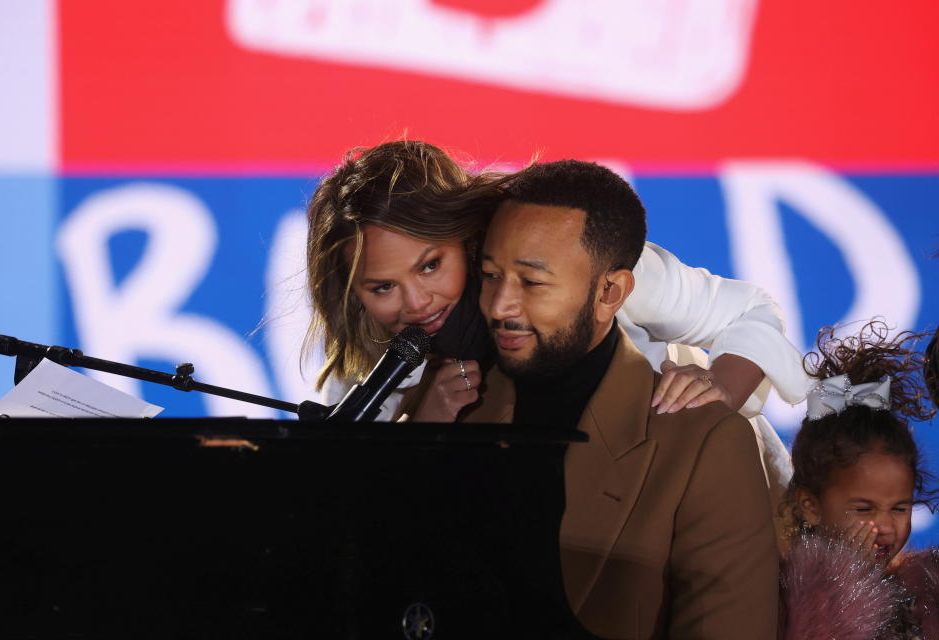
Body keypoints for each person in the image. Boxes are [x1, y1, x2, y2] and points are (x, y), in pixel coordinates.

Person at [305, 141, 808, 457]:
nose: (415, 302)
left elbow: (749, 310)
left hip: (704, 506)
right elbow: (360, 510)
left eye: (431, 265)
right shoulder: (363, 364)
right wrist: (425, 421)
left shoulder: (567, 255)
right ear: (351, 294)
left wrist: (715, 392)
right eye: (381, 287)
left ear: (466, 236)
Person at [461, 159, 778, 639]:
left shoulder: (705, 444)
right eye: (488, 275)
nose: (499, 305)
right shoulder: (452, 405)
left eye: (532, 283)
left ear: (612, 292)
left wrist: (721, 392)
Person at [780, 321, 938, 640]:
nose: (885, 526)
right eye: (864, 510)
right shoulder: (796, 593)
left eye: (899, 508)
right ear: (810, 506)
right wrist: (844, 584)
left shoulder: (925, 585)